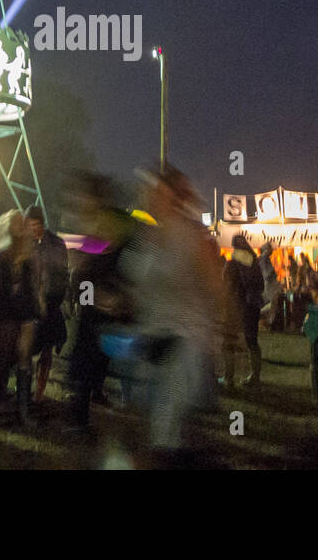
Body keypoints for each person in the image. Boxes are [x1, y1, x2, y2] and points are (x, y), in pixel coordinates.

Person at [119, 164, 221, 464]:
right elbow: (134, 284)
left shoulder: (192, 237)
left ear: (174, 197)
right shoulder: (145, 236)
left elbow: (216, 287)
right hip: (150, 336)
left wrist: (223, 332)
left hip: (183, 338)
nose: (149, 197)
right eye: (147, 192)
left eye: (157, 192)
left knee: (166, 423)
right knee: (151, 420)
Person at [63, 170, 136, 433]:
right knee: (85, 363)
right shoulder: (99, 223)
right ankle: (79, 419)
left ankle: (82, 417)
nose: (79, 201)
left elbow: (103, 256)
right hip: (97, 305)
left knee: (93, 362)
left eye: (83, 195)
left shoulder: (112, 222)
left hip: (108, 306)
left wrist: (113, 299)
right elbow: (87, 264)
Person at [0, 209, 42, 424]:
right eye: (17, 222)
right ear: (7, 226)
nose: (22, 225)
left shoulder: (29, 255)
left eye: (22, 222)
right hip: (3, 316)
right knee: (2, 361)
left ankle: (23, 409)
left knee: (25, 358)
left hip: (24, 314)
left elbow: (32, 288)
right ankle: (0, 405)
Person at [26, 206, 68, 403]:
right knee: (26, 348)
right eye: (30, 225)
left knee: (47, 349)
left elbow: (62, 273)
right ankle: (24, 386)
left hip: (50, 303)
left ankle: (39, 392)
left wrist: (54, 297)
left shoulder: (56, 244)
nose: (34, 228)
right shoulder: (26, 244)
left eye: (36, 224)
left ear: (42, 224)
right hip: (29, 304)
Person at [221, 234, 265, 390]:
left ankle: (229, 377)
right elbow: (261, 285)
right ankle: (255, 376)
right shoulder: (254, 263)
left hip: (236, 307)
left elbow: (226, 286)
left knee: (229, 342)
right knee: (252, 341)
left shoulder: (232, 264)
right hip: (253, 306)